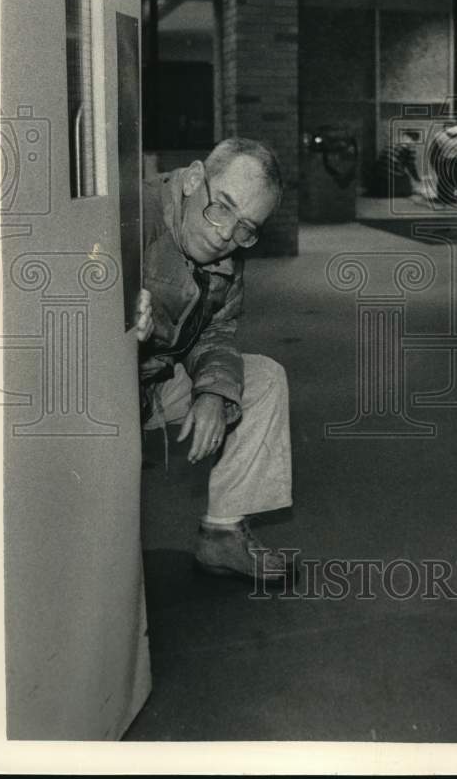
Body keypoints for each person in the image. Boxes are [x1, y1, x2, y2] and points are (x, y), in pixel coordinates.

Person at [134, 138, 295, 586]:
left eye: (246, 227)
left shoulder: (228, 252)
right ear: (191, 180)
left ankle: (222, 535)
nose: (226, 235)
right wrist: (110, 311)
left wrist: (213, 390)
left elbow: (218, 330)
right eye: (221, 208)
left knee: (262, 380)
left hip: (152, 382)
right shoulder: (134, 213)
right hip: (95, 390)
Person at [428, 120, 457, 204]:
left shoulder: (439, 135)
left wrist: (434, 165)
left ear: (445, 127)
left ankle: (443, 197)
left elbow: (434, 152)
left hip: (447, 161)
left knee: (443, 179)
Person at [368, 131, 421, 198]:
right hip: (391, 172)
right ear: (415, 138)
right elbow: (411, 165)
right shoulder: (411, 144)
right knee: (407, 189)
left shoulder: (395, 140)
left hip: (379, 171)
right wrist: (417, 178)